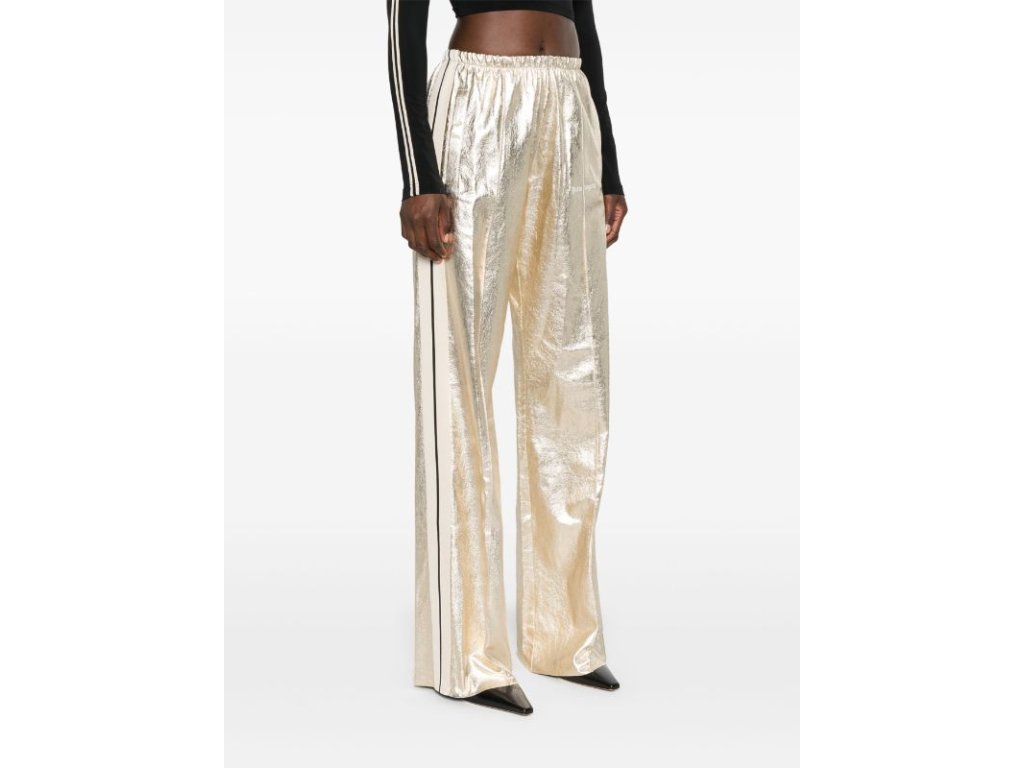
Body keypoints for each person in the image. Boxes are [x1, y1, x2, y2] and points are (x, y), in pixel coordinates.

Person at [386, 0, 628, 716]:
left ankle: (563, 636)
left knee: (573, 377)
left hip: (568, 107)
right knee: (458, 376)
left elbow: (586, 21)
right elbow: (401, 29)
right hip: (477, 106)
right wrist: (418, 177)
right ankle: (466, 652)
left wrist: (609, 166)